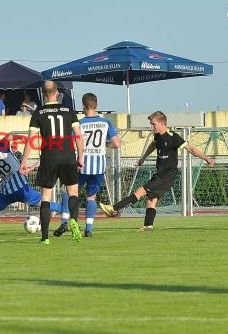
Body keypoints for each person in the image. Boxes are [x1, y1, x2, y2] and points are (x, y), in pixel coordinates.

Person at [100, 111, 215, 230]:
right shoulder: (158, 136)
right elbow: (153, 145)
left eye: (153, 124)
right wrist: (143, 158)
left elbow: (190, 148)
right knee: (152, 200)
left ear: (161, 123)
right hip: (160, 175)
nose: (152, 127)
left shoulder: (173, 137)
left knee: (140, 191)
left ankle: (113, 208)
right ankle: (148, 226)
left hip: (167, 176)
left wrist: (206, 159)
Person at [0, 132, 63, 236]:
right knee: (45, 203)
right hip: (21, 188)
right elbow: (9, 136)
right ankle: (69, 213)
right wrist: (21, 137)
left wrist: (28, 167)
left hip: (6, 192)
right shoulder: (1, 146)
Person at [19, 80, 84, 245]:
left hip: (49, 157)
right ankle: (74, 219)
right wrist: (80, 157)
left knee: (46, 197)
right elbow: (78, 136)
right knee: (73, 193)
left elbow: (31, 139)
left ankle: (45, 237)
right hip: (68, 156)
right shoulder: (69, 111)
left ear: (43, 95)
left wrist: (24, 162)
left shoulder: (39, 112)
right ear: (57, 93)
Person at [54, 93, 120, 238]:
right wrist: (104, 144)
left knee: (69, 193)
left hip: (82, 164)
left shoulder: (79, 124)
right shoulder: (106, 123)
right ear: (96, 106)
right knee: (91, 197)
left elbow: (71, 144)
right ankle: (89, 228)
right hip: (99, 167)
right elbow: (116, 143)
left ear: (83, 106)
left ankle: (65, 221)